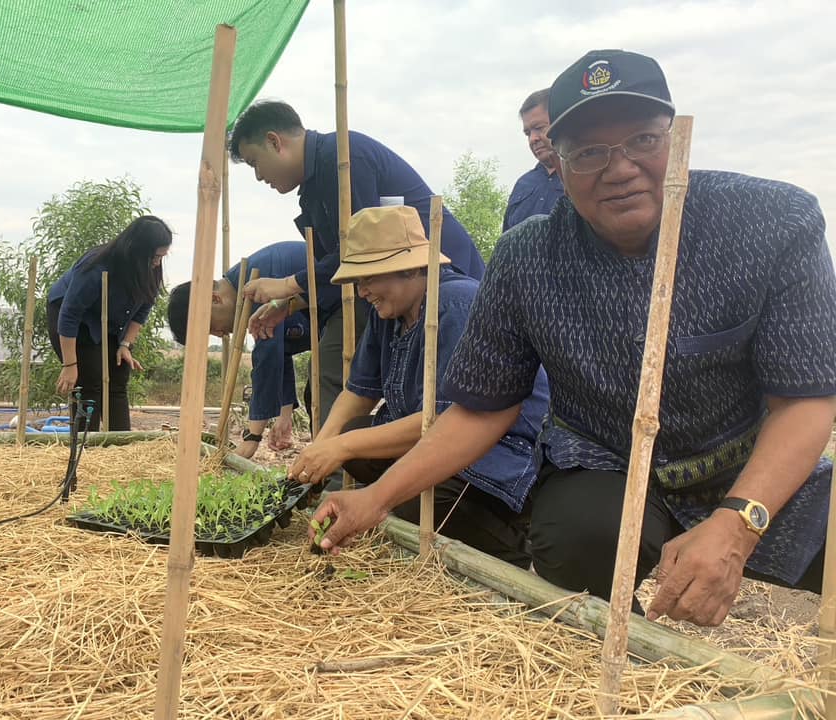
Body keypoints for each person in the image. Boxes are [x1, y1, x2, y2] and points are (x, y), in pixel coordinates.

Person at [310, 49, 836, 628]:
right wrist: (376, 498)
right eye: (588, 152)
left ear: (676, 138)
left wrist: (739, 520)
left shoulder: (774, 222)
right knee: (576, 538)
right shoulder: (528, 257)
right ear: (555, 163)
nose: (619, 168)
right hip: (606, 459)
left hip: (748, 456)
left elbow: (805, 400)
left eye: (642, 140)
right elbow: (482, 409)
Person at [289, 205, 549, 564]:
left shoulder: (457, 305)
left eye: (369, 278)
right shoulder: (389, 312)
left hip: (500, 449)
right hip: (434, 438)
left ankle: (518, 552)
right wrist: (323, 446)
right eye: (358, 281)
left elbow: (449, 422)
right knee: (358, 444)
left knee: (413, 498)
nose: (362, 291)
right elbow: (359, 392)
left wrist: (343, 447)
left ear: (411, 268)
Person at [227, 100, 485, 434]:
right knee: (333, 381)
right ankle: (334, 463)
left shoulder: (344, 159)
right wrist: (289, 305)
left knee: (346, 374)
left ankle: (337, 469)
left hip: (436, 280)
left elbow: (362, 254)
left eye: (254, 163)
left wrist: (289, 285)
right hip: (388, 289)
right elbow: (344, 273)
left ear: (276, 142)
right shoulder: (313, 188)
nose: (259, 176)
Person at [166, 241, 314, 459]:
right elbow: (282, 350)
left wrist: (252, 437)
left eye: (210, 327)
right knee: (317, 395)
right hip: (336, 319)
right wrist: (284, 415)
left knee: (325, 389)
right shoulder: (244, 283)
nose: (220, 334)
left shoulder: (255, 281)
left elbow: (268, 355)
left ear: (215, 299)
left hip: (355, 302)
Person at [47, 215, 172, 431]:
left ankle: (120, 446)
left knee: (119, 374)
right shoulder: (96, 268)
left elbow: (143, 307)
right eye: (155, 256)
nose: (158, 262)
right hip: (75, 320)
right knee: (89, 380)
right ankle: (87, 450)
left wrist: (125, 345)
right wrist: (70, 365)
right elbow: (69, 314)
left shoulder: (149, 269)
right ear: (138, 251)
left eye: (162, 256)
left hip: (110, 321)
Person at [501, 88, 564, 232]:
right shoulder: (523, 184)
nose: (533, 139)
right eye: (528, 133)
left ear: (560, 122)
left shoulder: (583, 179)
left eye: (539, 128)